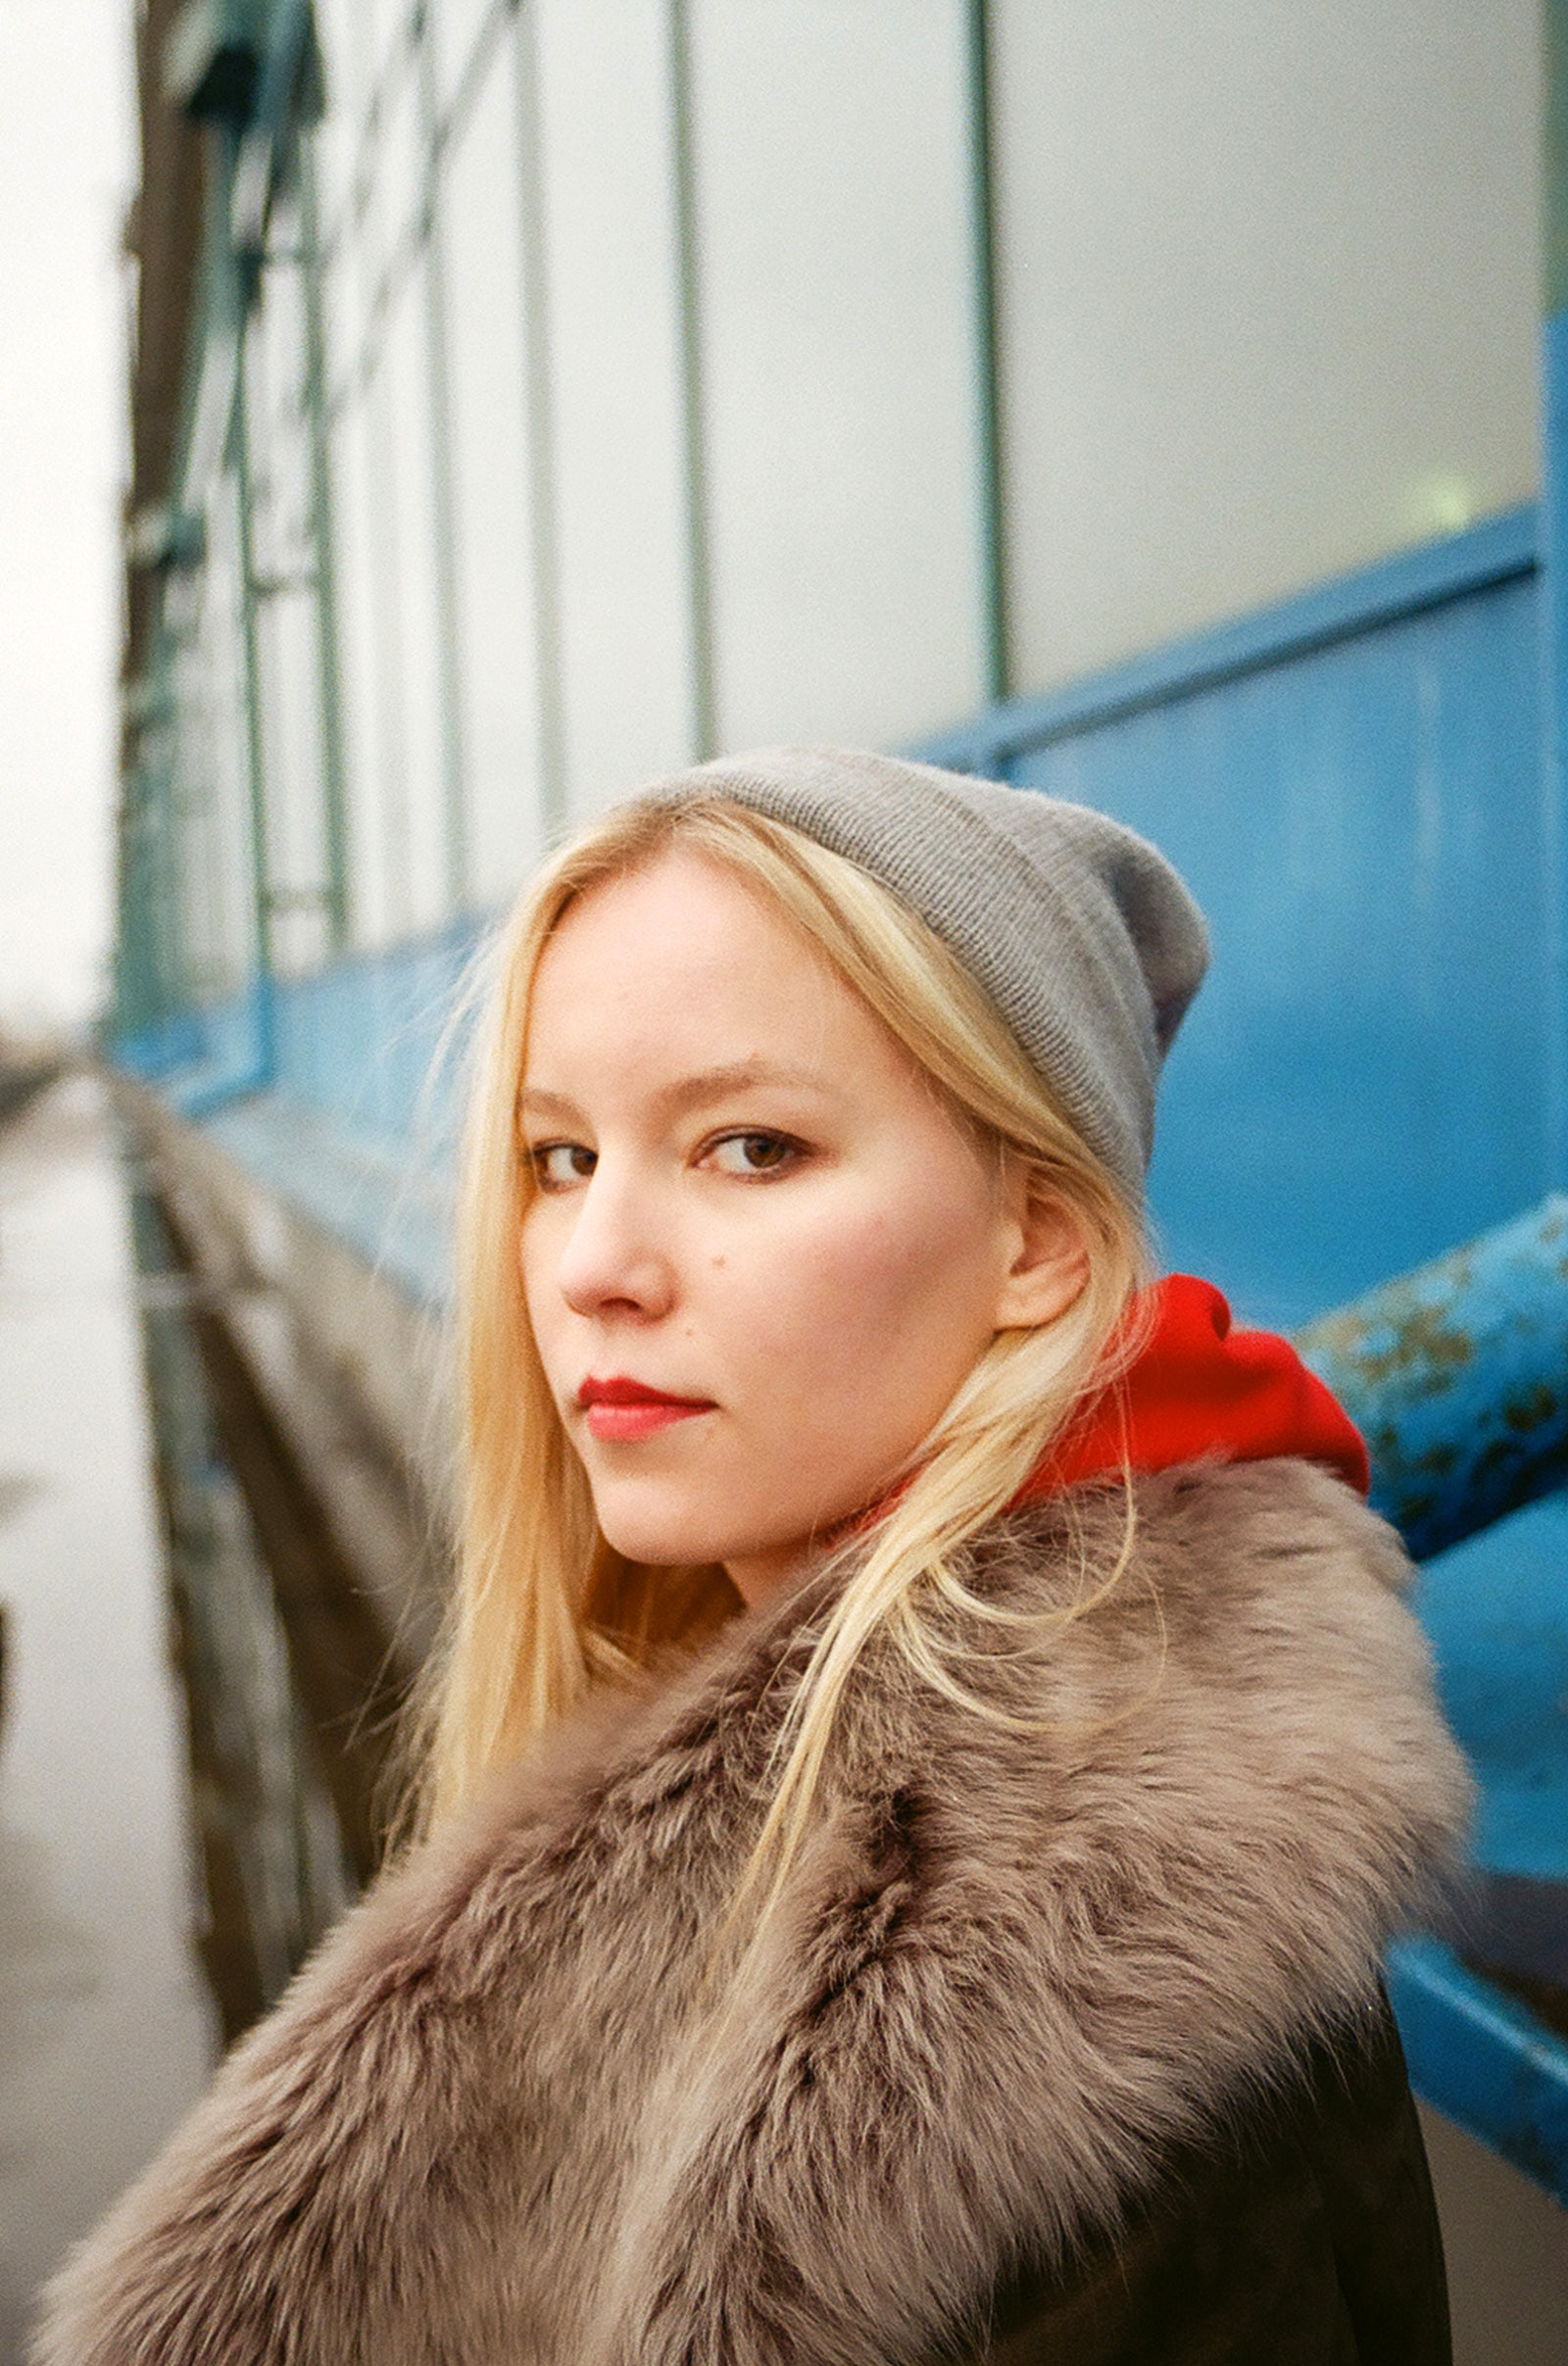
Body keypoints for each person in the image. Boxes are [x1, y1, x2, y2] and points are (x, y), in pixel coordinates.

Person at [37, 749, 1469, 2365]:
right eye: (560, 1157)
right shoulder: (730, 1715)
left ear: (1036, 1244)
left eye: (751, 1148)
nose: (595, 1267)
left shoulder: (1103, 1976)